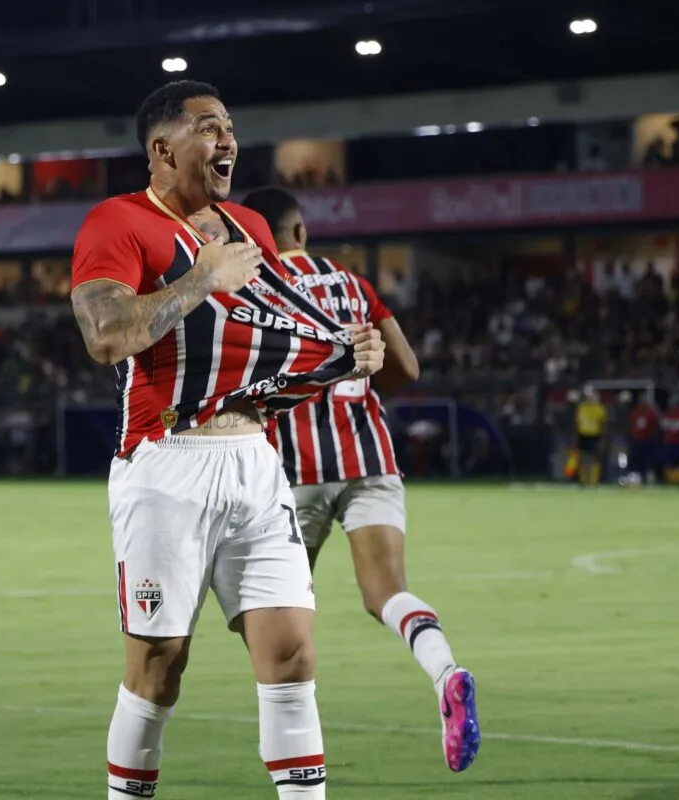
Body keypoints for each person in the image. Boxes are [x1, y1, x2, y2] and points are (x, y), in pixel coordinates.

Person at [69, 80, 385, 800]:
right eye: (209, 128)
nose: (228, 141)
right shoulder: (116, 223)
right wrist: (202, 278)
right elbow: (108, 335)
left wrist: (343, 355)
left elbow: (274, 353)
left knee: (293, 653)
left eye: (230, 128)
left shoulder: (250, 226)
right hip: (166, 463)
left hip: (254, 458)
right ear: (162, 147)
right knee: (159, 664)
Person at [241, 186, 481, 773]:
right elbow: (406, 366)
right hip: (370, 457)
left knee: (270, 615)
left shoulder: (253, 286)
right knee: (386, 594)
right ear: (301, 232)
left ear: (252, 237)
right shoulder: (350, 283)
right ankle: (445, 671)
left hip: (294, 471)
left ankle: (293, 738)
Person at [575, 386, 607, 487]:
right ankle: (583, 480)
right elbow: (577, 423)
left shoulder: (600, 408)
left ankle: (593, 481)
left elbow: (604, 424)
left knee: (594, 459)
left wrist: (603, 437)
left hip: (595, 435)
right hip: (583, 435)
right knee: (583, 458)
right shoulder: (582, 407)